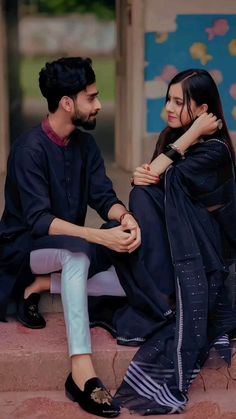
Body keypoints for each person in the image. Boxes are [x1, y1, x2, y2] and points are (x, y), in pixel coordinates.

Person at [0, 56, 141, 418]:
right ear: (67, 102)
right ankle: (82, 373)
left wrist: (124, 218)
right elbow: (39, 221)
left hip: (66, 244)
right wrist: (99, 238)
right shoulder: (29, 149)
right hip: (25, 248)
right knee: (79, 255)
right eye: (91, 97)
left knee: (134, 272)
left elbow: (103, 197)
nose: (98, 104)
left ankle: (42, 286)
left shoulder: (86, 146)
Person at [109, 69, 236, 414]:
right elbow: (148, 177)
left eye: (179, 102)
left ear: (203, 110)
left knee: (141, 197)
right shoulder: (173, 136)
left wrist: (192, 134)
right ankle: (163, 299)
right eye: (168, 98)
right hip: (181, 235)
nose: (168, 107)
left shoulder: (216, 149)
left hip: (209, 246)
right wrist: (181, 138)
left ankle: (167, 299)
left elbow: (164, 175)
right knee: (127, 214)